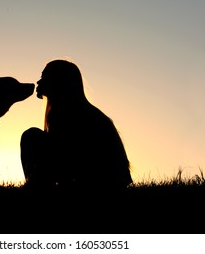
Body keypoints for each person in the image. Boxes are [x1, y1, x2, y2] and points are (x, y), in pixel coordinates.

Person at [20, 59, 132, 193]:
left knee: (31, 136)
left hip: (98, 184)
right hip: (110, 182)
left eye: (44, 77)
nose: (38, 82)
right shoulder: (82, 110)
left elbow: (65, 155)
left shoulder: (65, 112)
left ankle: (37, 189)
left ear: (58, 81)